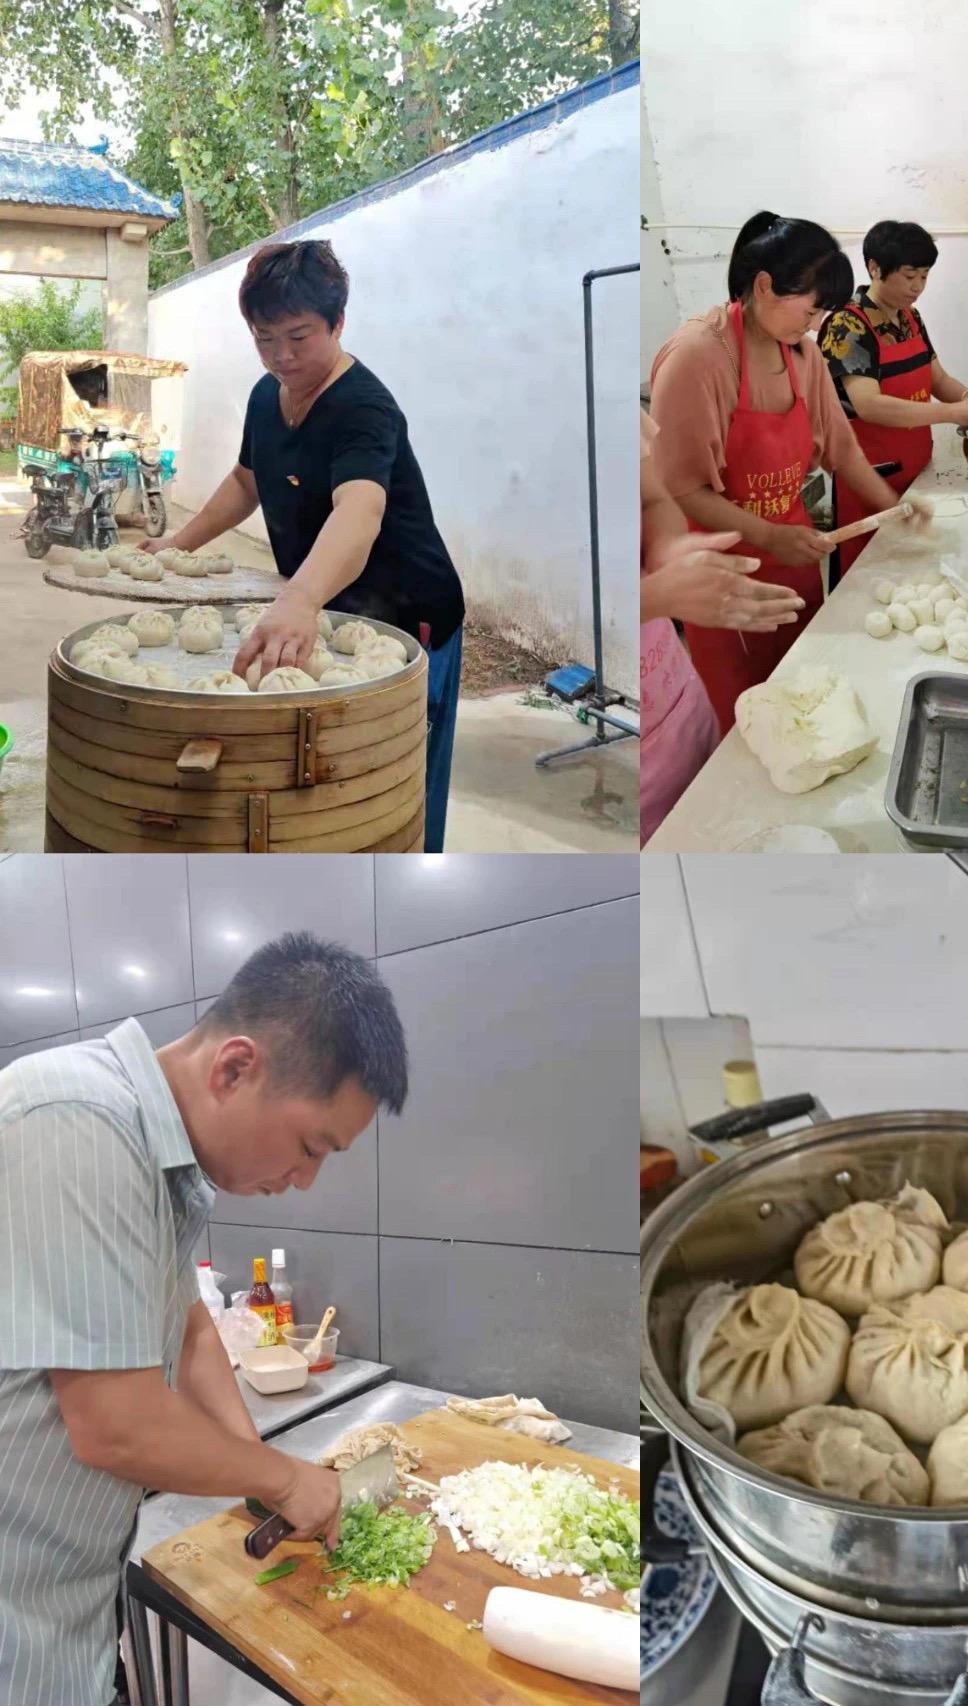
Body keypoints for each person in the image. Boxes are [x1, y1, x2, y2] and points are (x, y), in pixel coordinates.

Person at [0, 933, 409, 1706]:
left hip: (68, 1611)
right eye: (310, 1146)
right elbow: (116, 1427)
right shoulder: (78, 1123)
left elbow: (189, 1325)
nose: (304, 1180)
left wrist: (256, 1466)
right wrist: (286, 1478)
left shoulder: (163, 1163)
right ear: (234, 1068)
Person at [143, 240, 465, 852]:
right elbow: (246, 481)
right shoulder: (267, 396)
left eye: (298, 336)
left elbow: (360, 511)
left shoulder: (364, 407)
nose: (282, 356)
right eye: (264, 339)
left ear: (337, 323)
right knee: (323, 786)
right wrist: (177, 546)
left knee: (397, 781)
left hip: (408, 613)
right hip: (329, 604)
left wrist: (298, 599)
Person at [649, 211, 927, 734]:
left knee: (812, 701)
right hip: (724, 577)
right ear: (764, 286)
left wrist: (895, 510)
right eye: (811, 308)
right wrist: (768, 535)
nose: (816, 324)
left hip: (794, 560)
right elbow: (681, 487)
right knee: (751, 723)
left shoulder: (803, 355)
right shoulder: (698, 357)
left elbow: (843, 451)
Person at [639, 412, 804, 841]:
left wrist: (667, 550)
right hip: (618, 753)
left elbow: (654, 500)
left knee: (720, 825)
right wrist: (653, 596)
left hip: (676, 702)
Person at [818, 220, 968, 580]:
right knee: (868, 578)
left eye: (925, 277)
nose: (917, 287)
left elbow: (938, 379)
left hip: (917, 470)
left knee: (918, 575)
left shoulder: (910, 318)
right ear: (874, 268)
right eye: (909, 276)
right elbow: (870, 405)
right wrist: (953, 412)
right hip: (870, 478)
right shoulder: (847, 325)